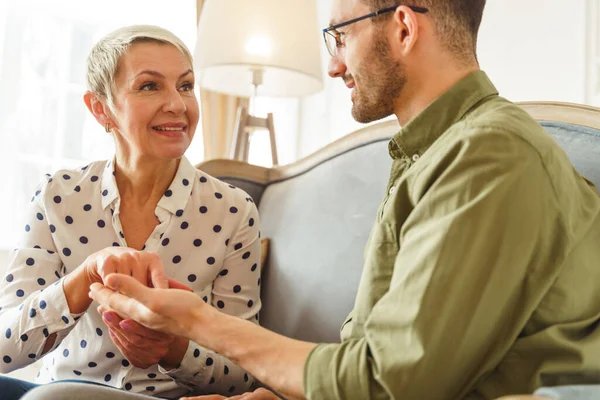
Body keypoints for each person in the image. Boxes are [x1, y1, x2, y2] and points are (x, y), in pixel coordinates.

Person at [21, 0, 600, 399]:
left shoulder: (488, 155)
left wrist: (194, 322)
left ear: (403, 27)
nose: (332, 63)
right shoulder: (433, 157)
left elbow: (385, 385)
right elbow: (369, 356)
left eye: (339, 36)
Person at [0, 25, 261, 399]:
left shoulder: (234, 211)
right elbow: (4, 349)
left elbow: (246, 373)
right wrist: (85, 276)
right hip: (60, 390)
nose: (177, 104)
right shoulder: (56, 196)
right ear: (100, 109)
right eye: (150, 86)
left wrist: (173, 351)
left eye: (186, 86)